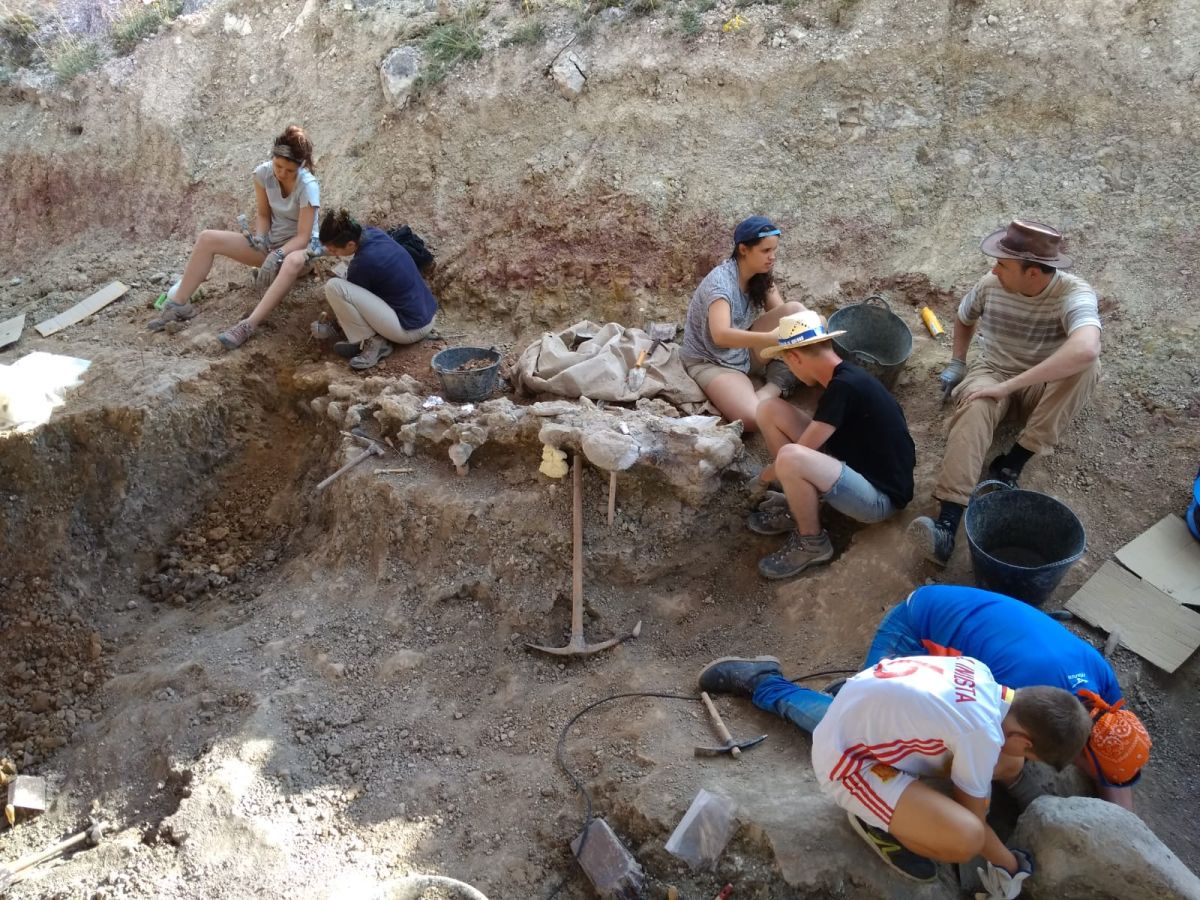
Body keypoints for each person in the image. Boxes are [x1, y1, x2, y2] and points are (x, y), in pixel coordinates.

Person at [697, 653, 1092, 892]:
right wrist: (1011, 865)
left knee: (1004, 763)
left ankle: (900, 799)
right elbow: (975, 824)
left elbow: (997, 753)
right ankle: (872, 821)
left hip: (864, 705)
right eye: (1033, 755)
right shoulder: (982, 734)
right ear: (1025, 737)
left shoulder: (982, 676)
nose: (1025, 759)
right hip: (848, 765)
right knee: (966, 838)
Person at [908, 220, 1101, 566]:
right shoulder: (989, 285)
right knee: (975, 405)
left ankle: (1010, 464)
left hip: (1039, 388)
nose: (993, 268)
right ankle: (947, 525)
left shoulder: (1074, 294)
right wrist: (957, 362)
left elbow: (1086, 349)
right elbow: (964, 317)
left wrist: (1009, 387)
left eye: (1002, 263)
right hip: (992, 371)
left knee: (1087, 367)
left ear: (1033, 274)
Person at [857, 584, 1151, 810]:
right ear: (1080, 750)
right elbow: (981, 760)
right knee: (865, 730)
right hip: (915, 629)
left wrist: (1123, 826)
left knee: (1010, 756)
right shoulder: (1021, 688)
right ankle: (834, 694)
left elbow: (1112, 775)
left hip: (962, 618)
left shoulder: (1105, 691)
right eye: (1097, 773)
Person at [748, 310, 915, 579]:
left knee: (791, 458)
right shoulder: (845, 377)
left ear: (794, 357)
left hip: (879, 498)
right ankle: (799, 504)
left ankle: (812, 542)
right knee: (769, 410)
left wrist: (762, 479)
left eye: (787, 364)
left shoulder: (844, 387)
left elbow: (801, 452)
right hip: (857, 468)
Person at [147, 125, 323, 350]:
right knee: (207, 238)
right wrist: (261, 238)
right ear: (273, 158)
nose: (282, 174)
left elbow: (304, 236)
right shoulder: (262, 173)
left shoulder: (308, 186)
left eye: (290, 170)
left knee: (292, 261)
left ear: (301, 166)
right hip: (273, 244)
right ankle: (179, 304)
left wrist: (278, 254)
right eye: (278, 166)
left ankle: (249, 324)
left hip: (301, 250)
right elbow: (263, 214)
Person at [679, 216, 808, 432]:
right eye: (765, 251)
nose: (772, 257)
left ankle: (777, 380)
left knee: (796, 313)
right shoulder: (721, 284)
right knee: (753, 419)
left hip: (743, 351)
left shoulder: (760, 276)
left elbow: (783, 315)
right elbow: (720, 336)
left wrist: (796, 336)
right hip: (711, 361)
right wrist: (770, 339)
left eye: (774, 250)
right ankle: (776, 385)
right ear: (744, 249)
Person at [313, 210, 438, 370]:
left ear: (350, 244)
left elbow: (355, 304)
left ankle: (371, 342)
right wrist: (314, 251)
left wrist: (330, 327)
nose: (332, 254)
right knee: (346, 280)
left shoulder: (362, 264)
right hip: (426, 316)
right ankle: (362, 338)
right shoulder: (373, 233)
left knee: (334, 287)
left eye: (334, 251)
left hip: (410, 330)